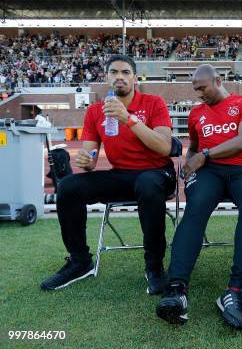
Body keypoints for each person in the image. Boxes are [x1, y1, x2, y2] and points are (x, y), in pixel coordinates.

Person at [40, 55, 176, 294]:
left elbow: (165, 147)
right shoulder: (95, 111)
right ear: (106, 77)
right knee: (70, 186)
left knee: (146, 183)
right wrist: (86, 160)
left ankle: (154, 266)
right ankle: (79, 260)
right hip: (122, 175)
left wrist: (128, 119)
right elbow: (90, 157)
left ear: (135, 77)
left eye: (125, 72)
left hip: (157, 174)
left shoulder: (154, 103)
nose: (120, 77)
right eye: (114, 72)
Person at [155, 65, 242, 330]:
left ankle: (237, 291)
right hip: (209, 173)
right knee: (196, 206)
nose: (199, 94)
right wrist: (189, 162)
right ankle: (176, 290)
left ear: (218, 80)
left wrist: (206, 155)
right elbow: (193, 147)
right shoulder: (196, 114)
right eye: (195, 90)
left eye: (202, 88)